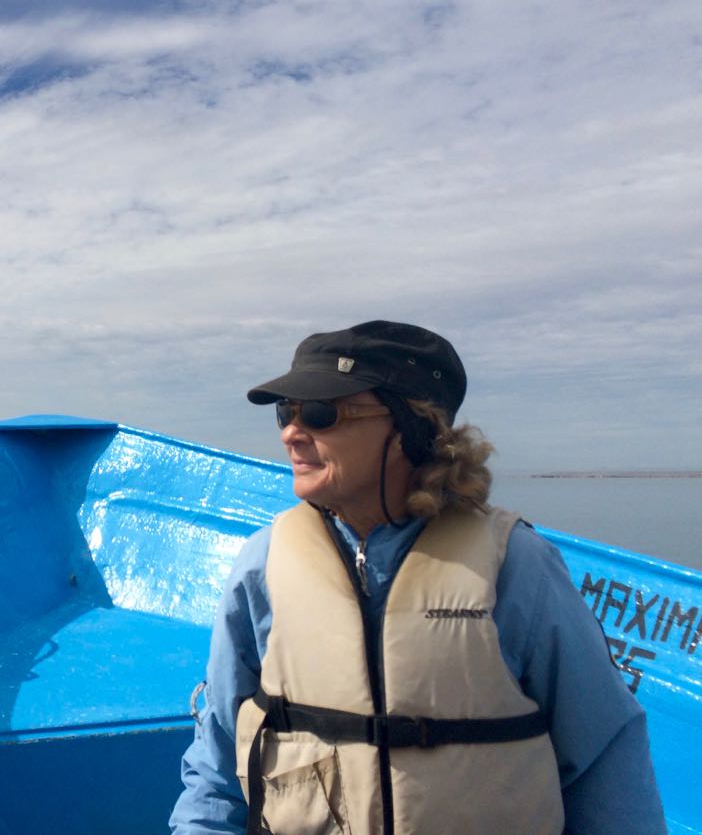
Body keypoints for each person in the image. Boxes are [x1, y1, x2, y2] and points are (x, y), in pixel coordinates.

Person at [169, 320, 664, 834]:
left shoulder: (515, 567)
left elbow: (607, 759)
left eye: (321, 413)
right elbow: (218, 760)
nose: (293, 432)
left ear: (410, 430)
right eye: (285, 413)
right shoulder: (263, 564)